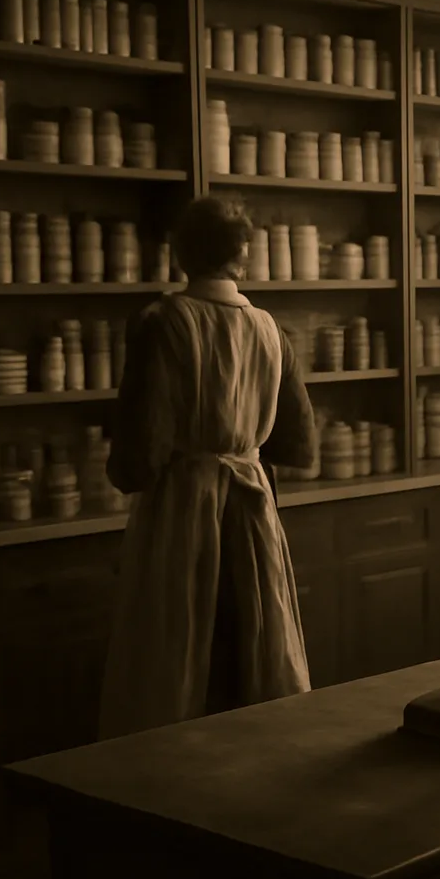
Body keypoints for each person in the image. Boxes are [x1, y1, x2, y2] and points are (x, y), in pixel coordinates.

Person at [98, 196, 317, 739]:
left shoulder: (163, 320)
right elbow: (301, 444)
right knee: (253, 652)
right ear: (240, 257)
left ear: (180, 253)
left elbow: (137, 458)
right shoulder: (269, 328)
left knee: (178, 654)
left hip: (185, 509)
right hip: (251, 504)